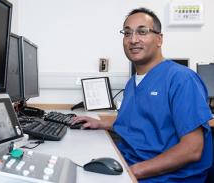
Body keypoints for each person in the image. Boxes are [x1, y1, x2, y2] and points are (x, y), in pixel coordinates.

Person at [72, 7, 213, 182]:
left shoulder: (181, 79)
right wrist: (100, 123)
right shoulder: (132, 83)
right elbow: (136, 122)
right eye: (127, 33)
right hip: (132, 164)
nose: (133, 40)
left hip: (166, 177)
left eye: (142, 32)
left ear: (159, 39)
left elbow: (192, 149)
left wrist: (132, 172)